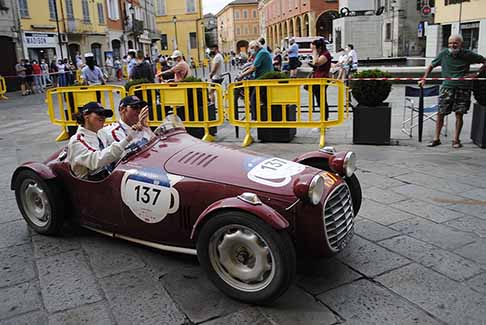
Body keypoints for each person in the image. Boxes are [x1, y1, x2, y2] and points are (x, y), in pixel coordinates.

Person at [419, 34, 486, 148]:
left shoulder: (467, 54)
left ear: (460, 43)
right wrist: (424, 78)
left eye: (455, 43)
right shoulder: (443, 54)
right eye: (450, 43)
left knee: (459, 114)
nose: (452, 45)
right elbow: (431, 66)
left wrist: (476, 74)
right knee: (441, 113)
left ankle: (456, 140)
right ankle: (436, 139)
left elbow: (485, 61)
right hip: (447, 88)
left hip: (463, 88)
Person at [67, 102, 133, 179]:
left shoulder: (101, 131)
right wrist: (127, 139)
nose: (103, 117)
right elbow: (96, 160)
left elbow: (118, 126)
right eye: (99, 113)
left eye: (104, 114)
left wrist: (140, 125)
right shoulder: (77, 141)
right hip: (90, 184)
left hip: (108, 176)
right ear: (86, 116)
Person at [236, 40, 273, 119]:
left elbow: (253, 68)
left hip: (263, 78)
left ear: (257, 47)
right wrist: (244, 70)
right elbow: (253, 65)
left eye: (252, 48)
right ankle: (258, 114)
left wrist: (241, 76)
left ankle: (256, 117)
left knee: (254, 98)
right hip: (260, 78)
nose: (251, 50)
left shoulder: (262, 53)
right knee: (256, 96)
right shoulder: (260, 52)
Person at [310, 38, 332, 121]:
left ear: (319, 47)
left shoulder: (325, 54)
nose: (312, 50)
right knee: (319, 100)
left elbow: (316, 62)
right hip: (317, 79)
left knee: (322, 99)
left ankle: (324, 119)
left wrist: (314, 52)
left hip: (322, 79)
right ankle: (323, 118)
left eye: (314, 48)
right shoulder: (321, 54)